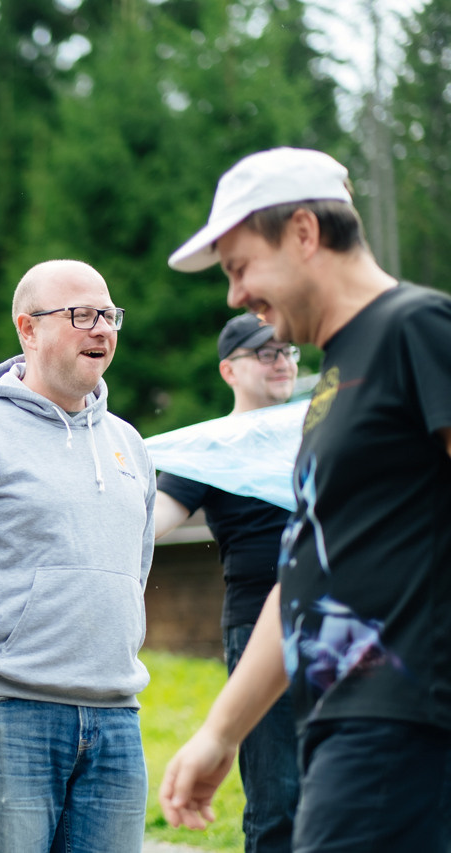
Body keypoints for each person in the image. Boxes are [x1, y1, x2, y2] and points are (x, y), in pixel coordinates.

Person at [159, 146, 451, 851]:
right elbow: (306, 571)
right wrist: (221, 730)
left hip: (410, 723)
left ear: (303, 232)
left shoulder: (417, 329)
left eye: (239, 267)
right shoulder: (335, 379)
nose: (234, 296)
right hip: (342, 722)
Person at [0, 259, 155, 853]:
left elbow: (136, 571)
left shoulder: (130, 445)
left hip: (116, 716)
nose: (101, 328)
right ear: (27, 328)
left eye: (109, 314)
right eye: (81, 315)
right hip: (3, 714)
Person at [154, 312, 301, 853]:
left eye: (288, 351)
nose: (282, 362)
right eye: (266, 353)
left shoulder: (323, 432)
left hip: (344, 624)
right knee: (278, 796)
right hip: (258, 625)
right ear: (228, 370)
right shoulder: (211, 449)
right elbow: (148, 525)